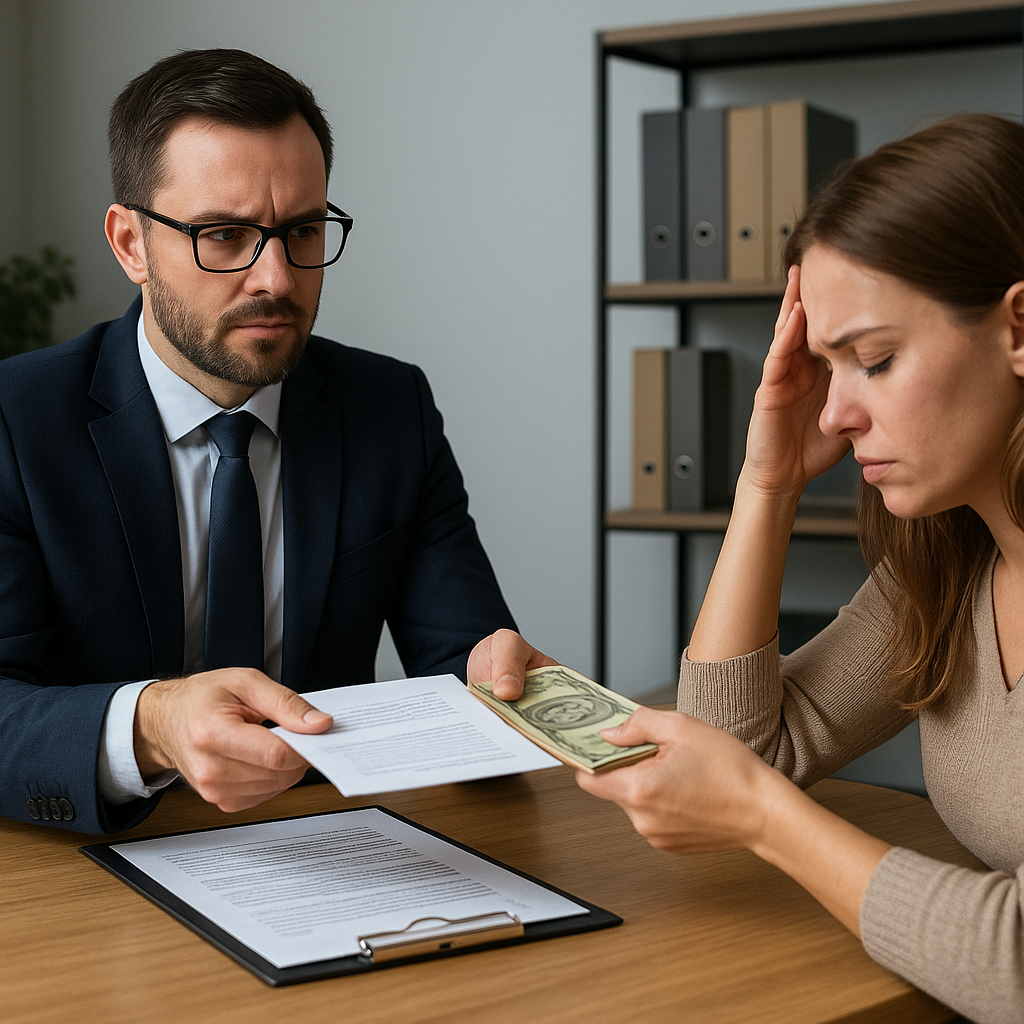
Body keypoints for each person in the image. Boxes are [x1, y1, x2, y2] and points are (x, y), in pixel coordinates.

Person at [477, 114, 1024, 1024]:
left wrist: (765, 817)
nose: (837, 412)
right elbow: (741, 745)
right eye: (827, 365)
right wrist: (766, 482)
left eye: (876, 359)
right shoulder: (949, 566)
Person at [0, 48, 527, 836]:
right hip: (87, 861)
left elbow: (464, 662)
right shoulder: (16, 420)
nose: (277, 278)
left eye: (302, 230)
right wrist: (152, 724)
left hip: (328, 842)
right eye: (224, 234)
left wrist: (499, 685)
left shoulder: (390, 409)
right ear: (131, 243)